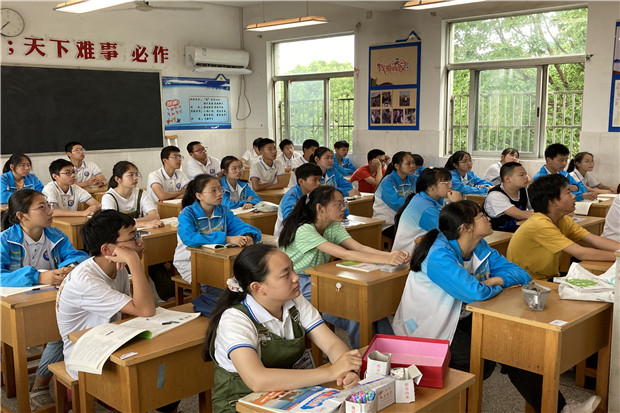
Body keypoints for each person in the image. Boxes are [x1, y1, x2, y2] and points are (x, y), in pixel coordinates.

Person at [391, 201, 601, 413]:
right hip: (428, 326)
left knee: (514, 347)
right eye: (482, 216)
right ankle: (452, 404)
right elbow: (475, 292)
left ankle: (560, 409)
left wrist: (495, 280)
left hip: (461, 315)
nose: (489, 218)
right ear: (465, 227)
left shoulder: (478, 245)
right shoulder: (438, 255)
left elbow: (521, 274)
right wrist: (487, 286)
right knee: (476, 358)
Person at [203, 244, 362, 413]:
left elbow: (331, 344)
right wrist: (331, 372)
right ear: (258, 288)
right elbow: (257, 380)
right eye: (286, 275)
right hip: (239, 402)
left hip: (286, 392)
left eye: (293, 269)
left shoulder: (294, 300)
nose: (296, 277)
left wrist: (346, 371)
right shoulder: (234, 320)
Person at [55, 210, 180, 413]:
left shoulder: (115, 267)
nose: (140, 242)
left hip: (112, 341)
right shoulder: (86, 281)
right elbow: (146, 310)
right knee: (155, 381)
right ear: (107, 249)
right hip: (86, 358)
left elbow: (136, 310)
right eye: (132, 237)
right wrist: (133, 260)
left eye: (138, 235)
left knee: (169, 368)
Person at [279, 185, 409, 347]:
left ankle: (391, 351)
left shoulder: (332, 226)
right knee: (355, 312)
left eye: (344, 203)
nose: (343, 208)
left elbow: (359, 247)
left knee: (372, 309)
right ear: (320, 208)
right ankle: (365, 355)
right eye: (338, 204)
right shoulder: (304, 230)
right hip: (296, 282)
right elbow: (346, 254)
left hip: (318, 278)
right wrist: (387, 259)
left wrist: (390, 255)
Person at [0, 189, 88, 409]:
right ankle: (39, 385)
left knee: (66, 329)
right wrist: (38, 276)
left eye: (49, 205)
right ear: (22, 215)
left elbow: (76, 255)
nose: (50, 211)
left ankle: (41, 383)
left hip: (50, 300)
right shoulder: (6, 240)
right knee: (58, 330)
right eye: (42, 207)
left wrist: (69, 267)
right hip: (14, 306)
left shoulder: (55, 235)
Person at [507, 174, 620, 281]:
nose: (574, 196)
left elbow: (592, 238)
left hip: (547, 278)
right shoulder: (539, 224)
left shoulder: (562, 219)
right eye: (568, 193)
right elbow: (581, 253)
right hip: (528, 282)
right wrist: (617, 256)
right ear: (552, 201)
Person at [173, 174, 261, 299]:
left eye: (220, 189)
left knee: (248, 282)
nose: (219, 193)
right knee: (224, 290)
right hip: (190, 262)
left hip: (219, 260)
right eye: (213, 191)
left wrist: (249, 236)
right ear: (199, 196)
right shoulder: (187, 213)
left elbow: (242, 227)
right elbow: (190, 238)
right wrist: (226, 238)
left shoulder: (223, 211)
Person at [392, 167, 461, 255]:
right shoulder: (425, 208)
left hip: (421, 250)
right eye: (446, 183)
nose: (450, 186)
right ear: (430, 187)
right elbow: (450, 230)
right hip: (409, 257)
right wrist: (458, 204)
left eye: (450, 182)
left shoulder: (428, 198)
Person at [101, 161, 163, 227]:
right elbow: (112, 223)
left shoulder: (141, 193)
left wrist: (128, 223)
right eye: (131, 175)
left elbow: (155, 216)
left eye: (136, 174)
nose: (135, 178)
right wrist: (144, 223)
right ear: (118, 179)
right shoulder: (109, 197)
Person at [372, 151, 417, 237]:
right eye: (408, 163)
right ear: (397, 166)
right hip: (388, 223)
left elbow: (418, 196)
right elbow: (396, 203)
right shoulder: (387, 182)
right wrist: (417, 206)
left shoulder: (412, 179)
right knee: (415, 236)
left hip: (405, 221)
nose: (412, 166)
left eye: (413, 163)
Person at [532, 143, 596, 201]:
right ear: (549, 160)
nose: (564, 163)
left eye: (566, 160)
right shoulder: (540, 178)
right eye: (561, 160)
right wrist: (570, 190)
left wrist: (576, 189)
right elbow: (554, 198)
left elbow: (582, 188)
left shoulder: (564, 174)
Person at [273, 163, 322, 237]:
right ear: (301, 181)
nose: (319, 183)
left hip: (306, 232)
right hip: (287, 236)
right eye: (314, 180)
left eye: (320, 179)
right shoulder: (290, 197)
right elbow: (289, 221)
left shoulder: (312, 194)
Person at [483, 162, 533, 232]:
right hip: (498, 235)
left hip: (518, 232)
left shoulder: (524, 190)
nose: (526, 177)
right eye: (521, 175)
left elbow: (534, 208)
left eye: (525, 174)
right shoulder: (495, 195)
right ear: (507, 179)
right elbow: (520, 214)